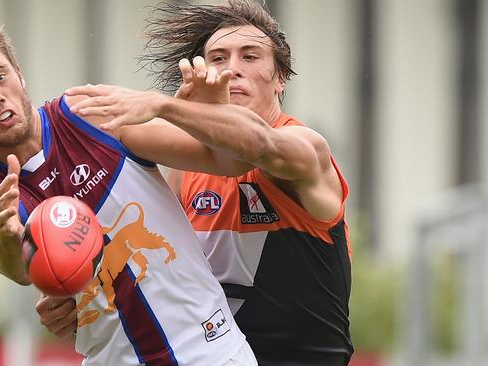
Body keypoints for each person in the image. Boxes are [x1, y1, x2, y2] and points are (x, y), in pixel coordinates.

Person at [0, 15, 258, 366]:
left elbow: (231, 163)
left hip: (213, 352)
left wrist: (199, 110)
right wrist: (7, 237)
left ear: (19, 73)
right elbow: (18, 269)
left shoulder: (90, 116)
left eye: (0, 77)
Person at [63, 1, 354, 365]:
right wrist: (75, 298)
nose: (232, 69)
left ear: (281, 79)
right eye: (218, 58)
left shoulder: (303, 145)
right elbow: (160, 269)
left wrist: (165, 107)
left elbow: (258, 145)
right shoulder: (186, 168)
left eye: (250, 57)